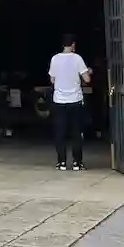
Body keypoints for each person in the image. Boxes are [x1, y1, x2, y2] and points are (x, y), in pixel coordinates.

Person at [49, 34, 90, 171]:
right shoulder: (77, 58)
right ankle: (77, 162)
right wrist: (88, 71)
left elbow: (52, 80)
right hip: (75, 100)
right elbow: (87, 79)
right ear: (73, 44)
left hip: (59, 101)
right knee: (76, 132)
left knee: (60, 132)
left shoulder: (55, 59)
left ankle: (61, 162)